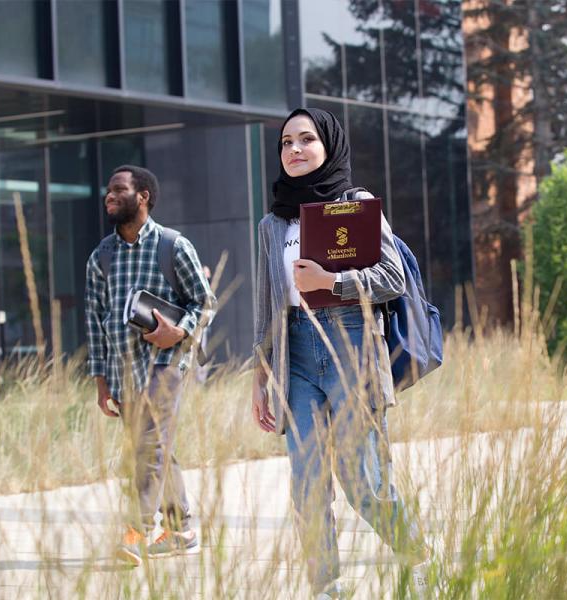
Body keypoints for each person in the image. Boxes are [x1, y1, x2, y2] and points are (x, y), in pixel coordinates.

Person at [251, 108, 428, 598]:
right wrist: (260, 376)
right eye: (286, 142)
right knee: (307, 482)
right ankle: (326, 586)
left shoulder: (357, 203)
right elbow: (267, 303)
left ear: (328, 147)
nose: (294, 149)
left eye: (307, 139)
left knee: (363, 479)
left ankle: (417, 556)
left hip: (351, 342)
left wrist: (333, 282)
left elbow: (393, 278)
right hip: (295, 353)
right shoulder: (271, 223)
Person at [85, 165, 216, 566]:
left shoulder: (172, 245)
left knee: (151, 445)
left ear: (142, 196)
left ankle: (136, 530)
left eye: (119, 189)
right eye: (108, 190)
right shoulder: (101, 256)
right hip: (124, 368)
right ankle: (181, 528)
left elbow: (204, 303)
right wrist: (101, 379)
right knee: (157, 445)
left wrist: (178, 332)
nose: (109, 195)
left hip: (167, 363)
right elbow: (94, 318)